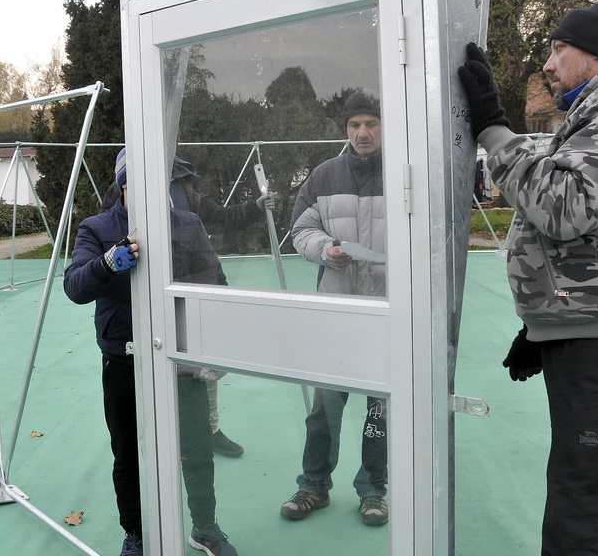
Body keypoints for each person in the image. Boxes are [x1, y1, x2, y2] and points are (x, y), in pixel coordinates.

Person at [458, 3, 598, 555]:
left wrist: (493, 126)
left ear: (593, 51)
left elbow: (564, 207)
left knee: (596, 524)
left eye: (558, 49)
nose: (548, 64)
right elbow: (597, 228)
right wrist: (549, 321)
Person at [65, 148, 238, 556]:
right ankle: (138, 534)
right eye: (137, 183)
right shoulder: (97, 228)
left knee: (196, 449)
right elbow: (75, 287)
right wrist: (107, 264)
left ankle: (205, 527)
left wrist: (219, 347)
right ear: (122, 185)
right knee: (128, 454)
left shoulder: (187, 224)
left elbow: (215, 283)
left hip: (180, 359)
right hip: (126, 359)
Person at [100, 155, 277, 458]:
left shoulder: (185, 187)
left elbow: (220, 216)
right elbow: (109, 233)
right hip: (144, 294)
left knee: (200, 369)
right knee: (150, 369)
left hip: (189, 287)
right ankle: (160, 439)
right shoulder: (121, 190)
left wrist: (256, 208)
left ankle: (209, 431)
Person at [279, 90, 389, 527]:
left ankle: (373, 491)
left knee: (381, 409)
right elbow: (300, 230)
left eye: (371, 124)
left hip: (388, 311)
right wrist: (326, 250)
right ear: (345, 130)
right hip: (337, 313)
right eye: (354, 125)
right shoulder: (323, 176)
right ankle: (313, 485)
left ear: (385, 127)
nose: (362, 133)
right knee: (324, 406)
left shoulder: (407, 172)